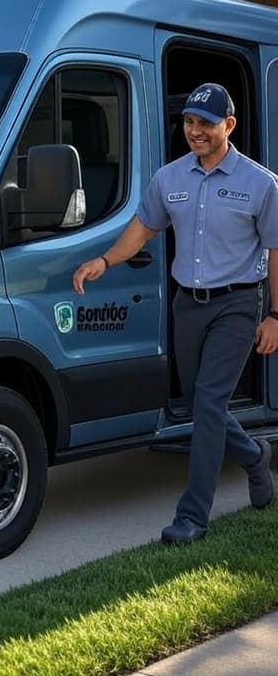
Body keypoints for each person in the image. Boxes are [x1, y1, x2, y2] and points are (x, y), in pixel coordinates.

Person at [72, 82, 277, 544]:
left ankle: (192, 517)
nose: (195, 130)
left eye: (206, 123)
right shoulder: (169, 179)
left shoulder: (261, 184)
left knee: (208, 402)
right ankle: (254, 455)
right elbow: (142, 229)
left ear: (229, 125)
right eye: (189, 121)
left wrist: (276, 316)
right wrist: (104, 260)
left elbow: (277, 251)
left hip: (239, 303)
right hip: (188, 304)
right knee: (202, 402)